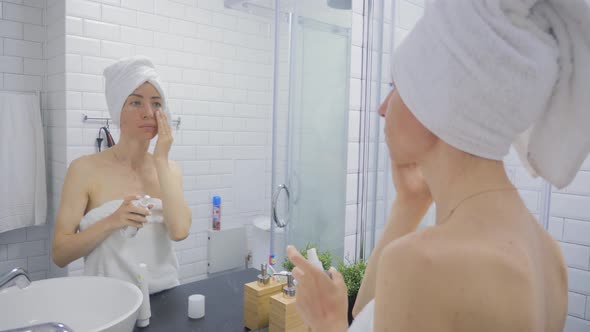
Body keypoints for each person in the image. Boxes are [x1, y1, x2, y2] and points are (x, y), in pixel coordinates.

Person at [287, 0, 590, 331]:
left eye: (395, 87)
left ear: (438, 103)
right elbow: (366, 319)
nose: (382, 108)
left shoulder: (421, 264)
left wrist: (327, 324)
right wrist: (409, 206)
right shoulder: (548, 255)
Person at [52, 56, 192, 293]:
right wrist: (112, 221)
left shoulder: (170, 170)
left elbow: (179, 231)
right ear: (118, 110)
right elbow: (60, 254)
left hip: (165, 298)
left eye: (157, 103)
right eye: (136, 103)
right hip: (108, 302)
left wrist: (160, 159)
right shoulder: (84, 170)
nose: (149, 112)